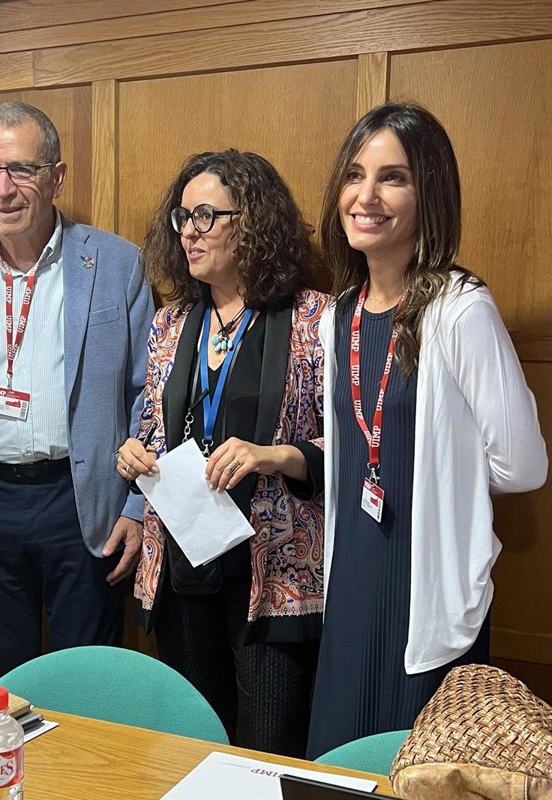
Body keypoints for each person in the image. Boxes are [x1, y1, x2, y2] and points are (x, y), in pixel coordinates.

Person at [305, 102, 548, 757]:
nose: (366, 196)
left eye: (393, 178)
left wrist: (445, 474)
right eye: (355, 175)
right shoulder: (338, 315)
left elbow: (523, 466)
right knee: (338, 764)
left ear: (429, 194)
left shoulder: (462, 310)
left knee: (415, 767)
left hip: (426, 582)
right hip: (352, 570)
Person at [0, 102, 154, 683]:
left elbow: (149, 394)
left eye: (21, 169)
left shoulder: (117, 264)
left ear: (56, 176)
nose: (3, 189)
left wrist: (137, 507)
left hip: (85, 503)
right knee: (2, 682)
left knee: (86, 678)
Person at [116, 150, 327, 757]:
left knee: (264, 757)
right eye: (182, 217)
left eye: (206, 216)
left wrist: (273, 455)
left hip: (274, 574)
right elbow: (154, 429)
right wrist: (132, 456)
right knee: (195, 747)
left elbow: (350, 445)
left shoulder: (314, 318)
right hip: (184, 565)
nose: (189, 231)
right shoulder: (171, 322)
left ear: (253, 220)